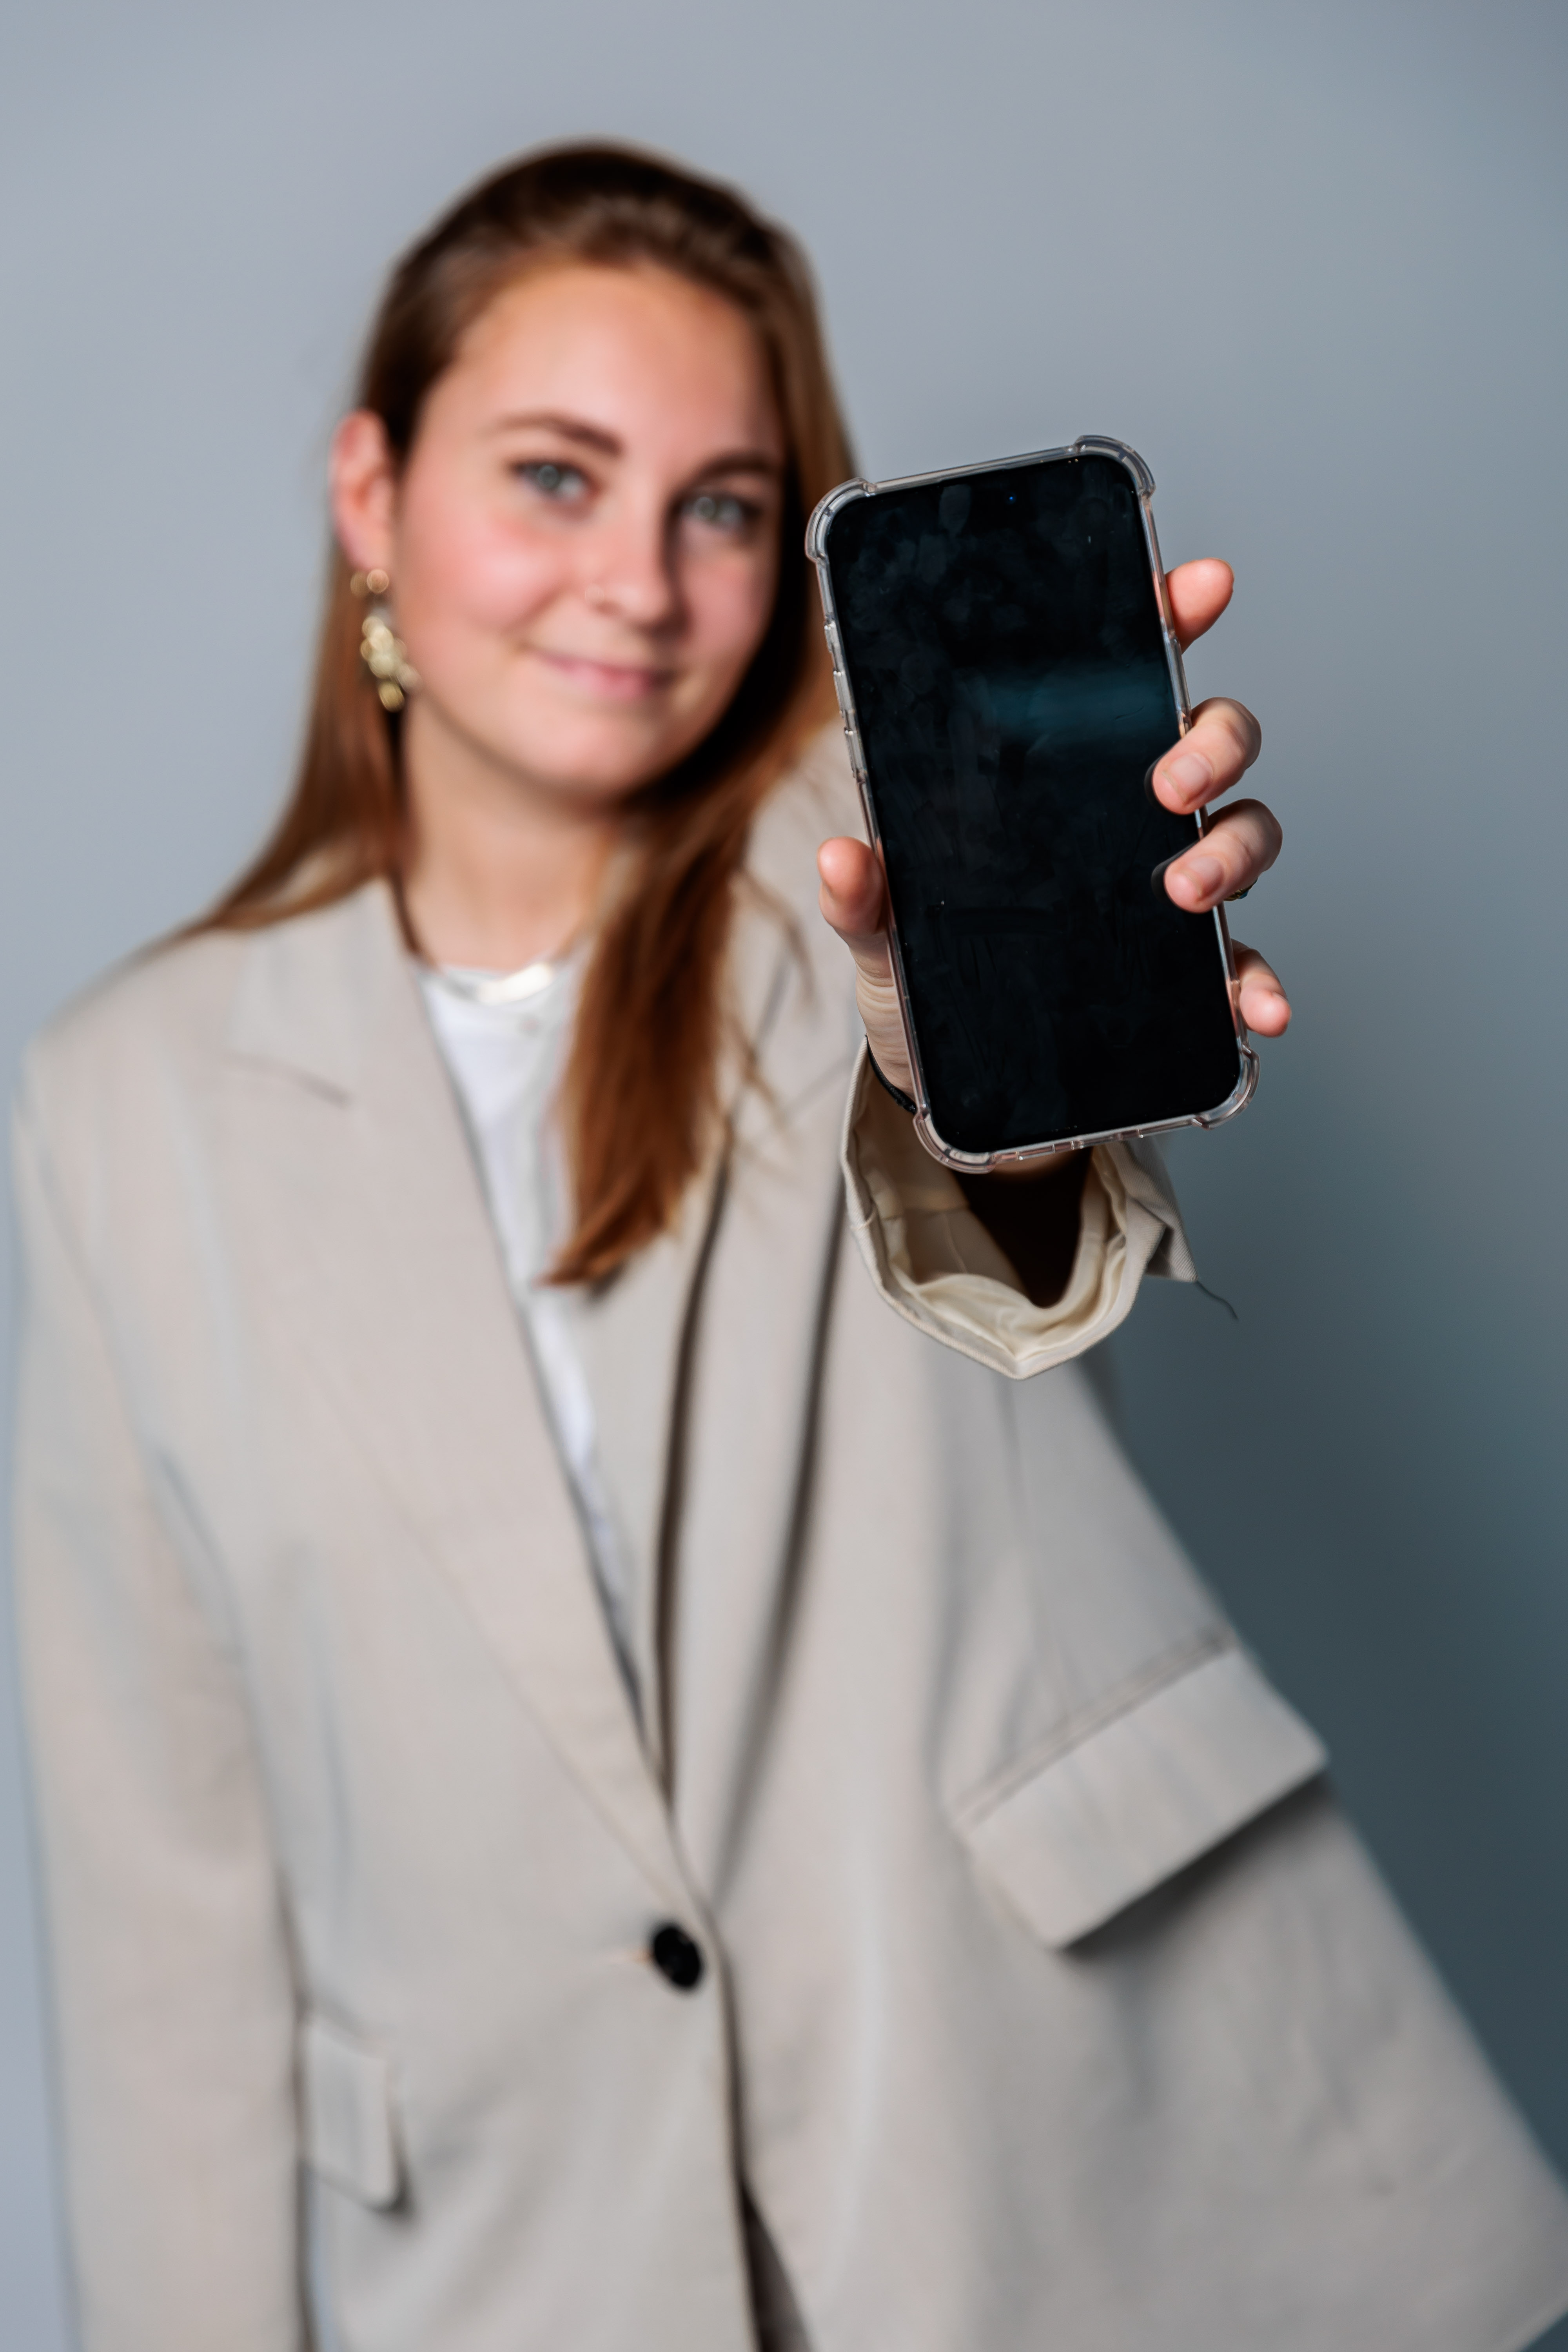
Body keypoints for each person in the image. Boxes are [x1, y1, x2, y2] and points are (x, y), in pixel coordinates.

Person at [12, 143, 1568, 2352]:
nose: (639, 581)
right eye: (556, 477)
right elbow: (164, 1883)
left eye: (725, 505)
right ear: (371, 491)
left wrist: (988, 1073)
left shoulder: (872, 854)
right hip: (515, 2258)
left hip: (1094, 2176)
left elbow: (1032, 1255)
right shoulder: (124, 1099)